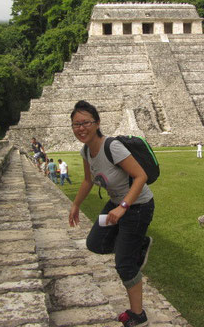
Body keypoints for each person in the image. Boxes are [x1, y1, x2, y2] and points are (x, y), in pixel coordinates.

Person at [68, 100, 154, 327]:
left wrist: (122, 207)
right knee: (95, 242)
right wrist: (76, 205)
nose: (81, 128)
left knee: (124, 264)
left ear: (97, 123)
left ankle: (138, 315)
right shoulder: (86, 151)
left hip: (137, 206)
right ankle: (138, 244)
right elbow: (88, 181)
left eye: (86, 122)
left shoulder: (112, 147)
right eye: (76, 124)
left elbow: (141, 176)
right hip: (116, 204)